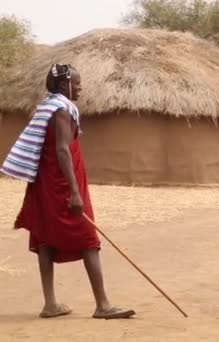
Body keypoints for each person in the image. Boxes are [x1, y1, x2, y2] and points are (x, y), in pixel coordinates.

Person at [1, 64, 135, 319]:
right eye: (77, 81)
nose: (81, 86)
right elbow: (62, 149)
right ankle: (103, 305)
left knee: (45, 238)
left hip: (45, 183)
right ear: (64, 85)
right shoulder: (61, 110)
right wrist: (74, 192)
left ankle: (50, 304)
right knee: (87, 238)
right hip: (61, 183)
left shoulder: (47, 107)